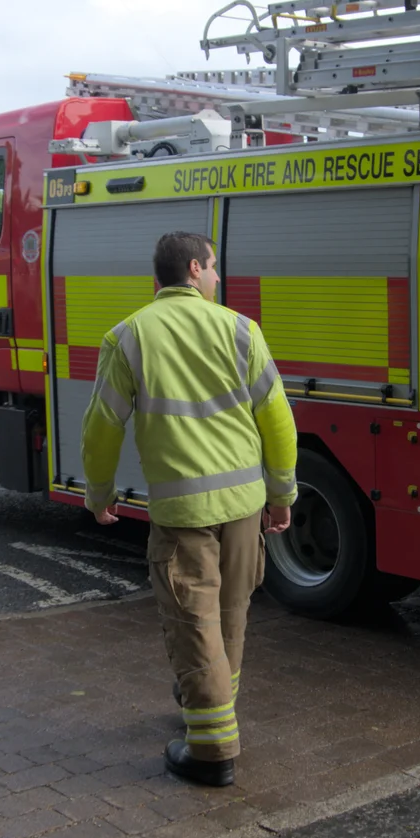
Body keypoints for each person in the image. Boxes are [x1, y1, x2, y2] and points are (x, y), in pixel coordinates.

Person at [80, 232, 297, 788]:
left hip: (182, 514)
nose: (219, 279)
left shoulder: (127, 338)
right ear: (195, 269)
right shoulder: (242, 331)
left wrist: (99, 493)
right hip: (245, 507)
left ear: (158, 280)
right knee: (230, 617)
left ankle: (212, 749)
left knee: (193, 621)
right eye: (215, 268)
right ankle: (212, 710)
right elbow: (277, 420)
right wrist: (281, 495)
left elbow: (101, 429)